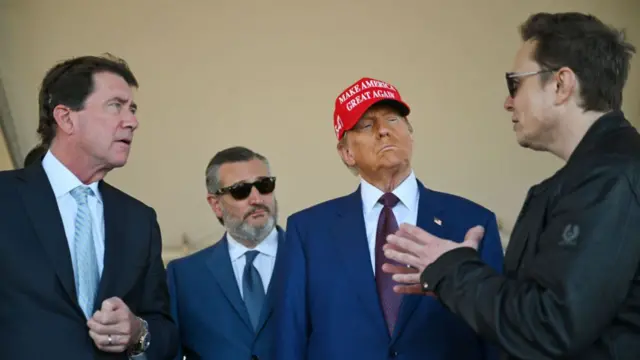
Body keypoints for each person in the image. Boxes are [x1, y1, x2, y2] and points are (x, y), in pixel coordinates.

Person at [382, 12, 640, 360]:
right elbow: (540, 305)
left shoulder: (611, 178)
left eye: (514, 84)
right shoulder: (589, 178)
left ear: (562, 85)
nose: (508, 102)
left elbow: (550, 327)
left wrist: (452, 270)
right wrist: (458, 277)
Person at [273, 77, 505, 359]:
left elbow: (497, 332)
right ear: (346, 153)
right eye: (367, 125)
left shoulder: (472, 222)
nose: (383, 131)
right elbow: (291, 336)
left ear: (410, 135)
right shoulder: (307, 230)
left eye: (393, 120)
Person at [0, 54, 178, 359]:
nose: (132, 121)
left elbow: (165, 331)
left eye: (132, 109)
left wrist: (138, 331)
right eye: (115, 106)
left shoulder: (139, 220)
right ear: (67, 118)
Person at [167, 146, 283, 360]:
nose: (256, 198)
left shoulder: (310, 259)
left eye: (264, 186)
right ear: (216, 204)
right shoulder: (184, 276)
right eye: (241, 190)